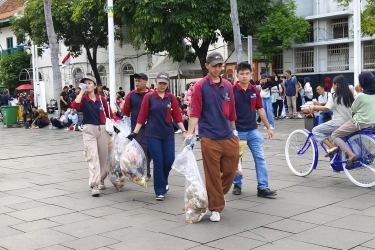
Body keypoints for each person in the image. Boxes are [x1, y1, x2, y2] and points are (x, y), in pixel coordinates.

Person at [187, 52, 239, 222]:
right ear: (206, 65)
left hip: (227, 135)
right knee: (213, 174)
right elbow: (195, 112)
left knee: (231, 170)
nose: (218, 69)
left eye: (220, 66)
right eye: (214, 65)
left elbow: (231, 111)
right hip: (209, 136)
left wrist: (234, 130)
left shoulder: (227, 86)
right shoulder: (200, 86)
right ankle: (216, 207)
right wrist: (190, 134)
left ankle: (211, 192)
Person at [127, 72, 185, 201]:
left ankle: (163, 181)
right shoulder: (149, 97)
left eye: (165, 83)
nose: (162, 86)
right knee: (158, 161)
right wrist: (135, 132)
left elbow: (177, 116)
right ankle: (160, 190)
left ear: (167, 84)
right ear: (156, 82)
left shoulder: (171, 98)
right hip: (152, 134)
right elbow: (142, 116)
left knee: (169, 161)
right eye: (160, 83)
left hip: (168, 134)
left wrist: (184, 130)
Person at [232, 62, 277, 197]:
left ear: (251, 74)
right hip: (238, 131)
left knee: (260, 158)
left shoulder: (254, 90)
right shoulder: (232, 91)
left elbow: (260, 109)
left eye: (247, 73)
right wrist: (232, 130)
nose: (245, 76)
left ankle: (263, 187)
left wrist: (268, 127)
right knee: (237, 159)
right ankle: (237, 184)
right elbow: (228, 112)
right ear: (237, 75)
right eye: (242, 74)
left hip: (253, 130)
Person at [71, 76, 112, 197]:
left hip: (102, 129)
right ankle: (94, 184)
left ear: (95, 85)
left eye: (89, 83)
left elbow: (109, 113)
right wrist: (82, 91)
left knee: (103, 156)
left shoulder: (101, 99)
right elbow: (75, 105)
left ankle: (101, 178)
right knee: (92, 155)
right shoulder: (83, 99)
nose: (87, 85)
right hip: (89, 130)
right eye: (85, 83)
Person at [330, 72, 375, 169]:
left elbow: (353, 109)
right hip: (371, 123)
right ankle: (367, 153)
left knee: (335, 135)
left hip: (359, 122)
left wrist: (359, 92)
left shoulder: (361, 96)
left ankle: (351, 155)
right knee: (353, 134)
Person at [311, 75, 354, 157]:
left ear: (336, 85)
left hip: (337, 122)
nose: (332, 86)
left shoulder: (335, 96)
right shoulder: (349, 95)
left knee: (316, 130)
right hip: (349, 122)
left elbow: (326, 108)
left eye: (333, 84)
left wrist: (314, 107)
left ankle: (331, 147)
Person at [122, 72, 153, 181]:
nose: (137, 83)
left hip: (151, 126)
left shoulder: (152, 94)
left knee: (150, 150)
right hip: (137, 127)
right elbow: (126, 111)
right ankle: (145, 171)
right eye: (136, 81)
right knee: (142, 148)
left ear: (145, 81)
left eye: (139, 80)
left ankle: (145, 168)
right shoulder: (131, 95)